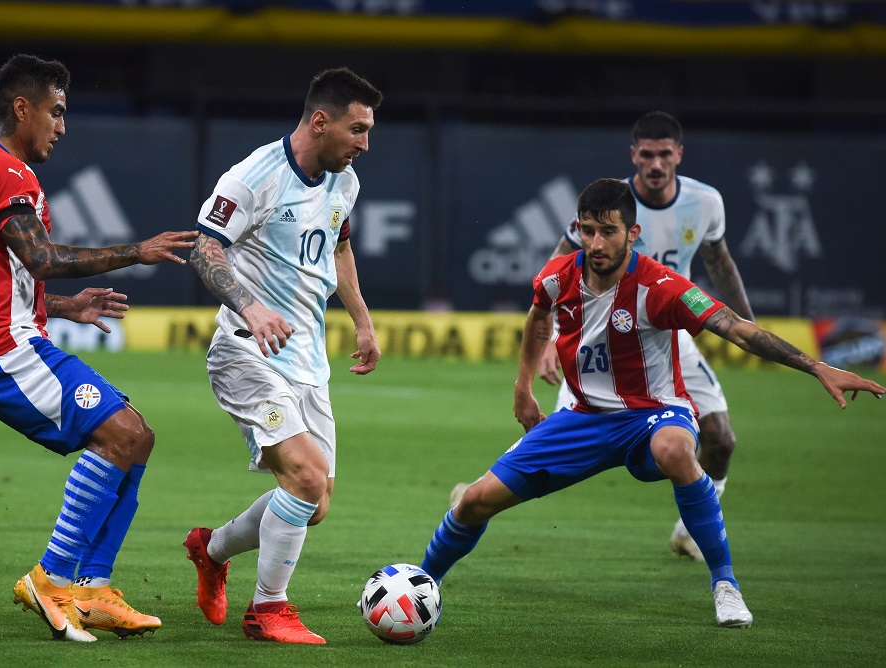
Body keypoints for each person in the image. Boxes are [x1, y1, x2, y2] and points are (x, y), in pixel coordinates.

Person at [421, 178, 883, 629]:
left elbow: (737, 327)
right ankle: (421, 586)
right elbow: (539, 318)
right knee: (476, 501)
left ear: (633, 233)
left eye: (608, 231)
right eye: (587, 230)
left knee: (677, 450)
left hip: (653, 415)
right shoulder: (556, 278)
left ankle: (725, 586)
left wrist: (817, 366)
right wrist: (523, 388)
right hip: (583, 418)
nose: (596, 242)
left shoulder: (662, 286)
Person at [0, 54, 197, 641]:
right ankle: (53, 576)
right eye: (56, 113)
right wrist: (135, 251)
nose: (62, 127)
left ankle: (91, 588)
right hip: (2, 349)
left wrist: (60, 307)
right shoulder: (4, 170)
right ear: (21, 108)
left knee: (137, 437)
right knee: (122, 436)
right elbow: (41, 258)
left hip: (5, 336)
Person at [455, 111, 753, 562]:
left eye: (665, 154)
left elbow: (720, 263)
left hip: (666, 336)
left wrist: (750, 328)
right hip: (596, 339)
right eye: (647, 155)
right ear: (634, 155)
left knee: (722, 439)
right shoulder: (607, 204)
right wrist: (555, 336)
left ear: (679, 154)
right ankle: (475, 492)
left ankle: (691, 533)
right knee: (548, 438)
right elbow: (558, 268)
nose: (656, 164)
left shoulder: (705, 202)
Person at [183, 67, 382, 645]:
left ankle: (211, 549)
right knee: (305, 475)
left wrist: (362, 320)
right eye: (358, 129)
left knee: (314, 502)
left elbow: (339, 247)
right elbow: (205, 250)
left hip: (307, 364)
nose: (365, 144)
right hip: (247, 354)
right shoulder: (253, 178)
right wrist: (251, 306)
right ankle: (268, 609)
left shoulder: (344, 182)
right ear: (320, 121)